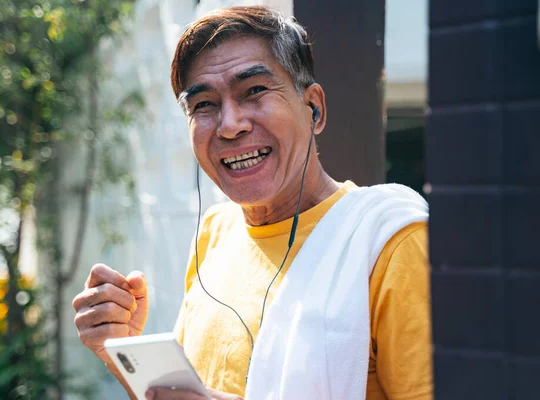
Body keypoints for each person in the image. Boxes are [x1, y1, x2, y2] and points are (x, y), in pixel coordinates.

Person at [72, 6, 433, 400]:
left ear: (314, 108)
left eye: (254, 91)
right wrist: (120, 351)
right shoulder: (216, 232)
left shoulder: (392, 245)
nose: (230, 125)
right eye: (204, 104)